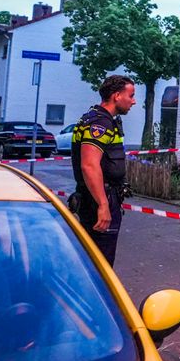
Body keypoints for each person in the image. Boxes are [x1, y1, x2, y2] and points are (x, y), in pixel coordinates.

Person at [70, 74, 135, 266]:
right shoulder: (100, 123)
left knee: (93, 259)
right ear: (116, 96)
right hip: (99, 199)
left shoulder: (96, 118)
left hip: (96, 197)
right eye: (130, 95)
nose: (134, 101)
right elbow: (89, 165)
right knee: (100, 264)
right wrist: (103, 205)